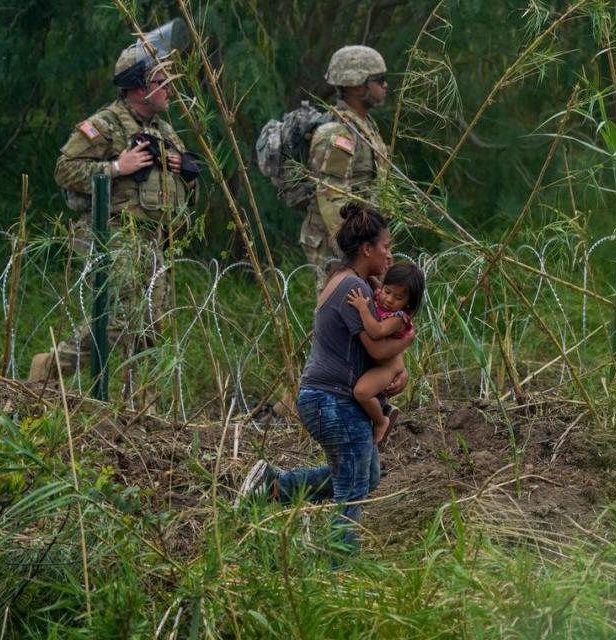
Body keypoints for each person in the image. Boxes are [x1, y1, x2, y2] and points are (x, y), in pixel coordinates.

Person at [239, 202, 412, 553]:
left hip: (326, 399)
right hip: (333, 401)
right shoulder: (356, 291)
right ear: (367, 249)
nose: (390, 255)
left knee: (367, 477)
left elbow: (376, 348)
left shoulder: (349, 280)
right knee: (351, 490)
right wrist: (406, 346)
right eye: (386, 246)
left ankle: (274, 487)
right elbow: (378, 351)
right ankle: (339, 568)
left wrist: (400, 367)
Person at [28, 27, 199, 383]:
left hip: (154, 241)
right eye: (162, 81)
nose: (171, 89)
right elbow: (64, 169)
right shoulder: (104, 125)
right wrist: (117, 168)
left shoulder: (164, 131)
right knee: (115, 321)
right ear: (139, 86)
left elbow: (178, 192)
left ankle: (140, 405)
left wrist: (187, 172)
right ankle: (49, 369)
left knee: (153, 326)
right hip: (115, 236)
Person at [302, 45, 391, 291]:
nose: (385, 86)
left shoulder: (365, 127)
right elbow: (333, 200)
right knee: (337, 316)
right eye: (379, 80)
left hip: (365, 242)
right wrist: (358, 254)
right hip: (341, 247)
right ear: (358, 86)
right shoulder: (337, 133)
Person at [346, 262, 425, 442]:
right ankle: (382, 408)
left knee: (362, 392)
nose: (389, 299)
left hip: (388, 368)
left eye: (398, 297)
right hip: (377, 364)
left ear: (408, 303)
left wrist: (362, 308)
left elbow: (377, 331)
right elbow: (376, 283)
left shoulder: (399, 318)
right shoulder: (381, 295)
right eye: (387, 291)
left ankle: (381, 421)